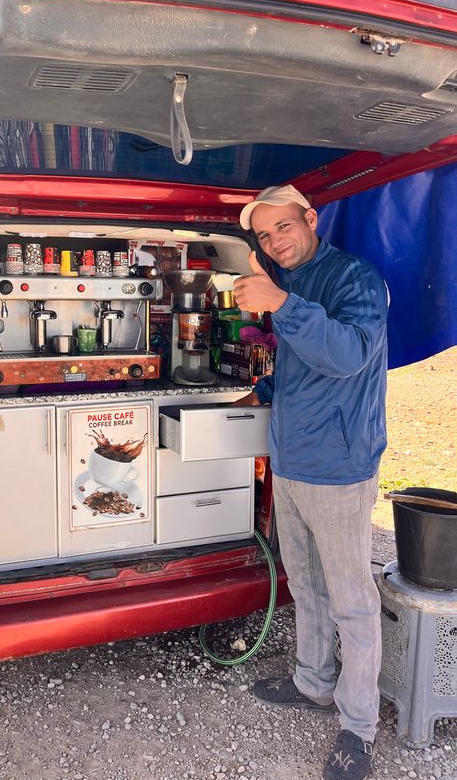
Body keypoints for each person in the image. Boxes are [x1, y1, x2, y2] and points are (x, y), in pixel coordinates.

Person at [233, 184, 388, 780]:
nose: (276, 241)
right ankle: (314, 681)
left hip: (341, 465)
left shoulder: (355, 279)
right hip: (292, 460)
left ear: (310, 219)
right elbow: (301, 368)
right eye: (265, 236)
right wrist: (260, 393)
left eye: (283, 227)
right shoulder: (289, 283)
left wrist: (279, 302)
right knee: (305, 582)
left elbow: (349, 355)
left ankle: (357, 729)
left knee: (352, 599)